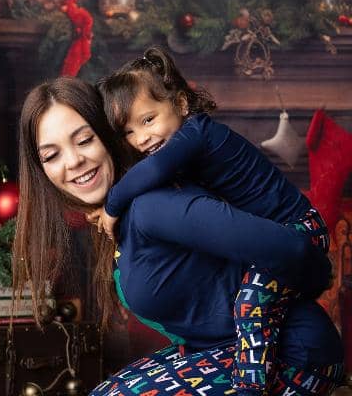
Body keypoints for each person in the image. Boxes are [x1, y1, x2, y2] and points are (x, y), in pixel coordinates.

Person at [12, 76, 343, 396]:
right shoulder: (123, 217)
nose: (73, 161)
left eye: (85, 140)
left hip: (292, 358)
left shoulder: (151, 206)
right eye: (51, 155)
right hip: (222, 350)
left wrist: (314, 282)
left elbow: (296, 249)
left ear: (110, 135)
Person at [93, 46, 331, 394]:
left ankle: (251, 388)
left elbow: (154, 169)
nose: (141, 139)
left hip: (298, 227)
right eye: (128, 132)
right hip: (279, 241)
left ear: (181, 104)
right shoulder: (175, 171)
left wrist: (112, 205)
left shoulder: (197, 134)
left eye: (148, 120)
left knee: (250, 304)